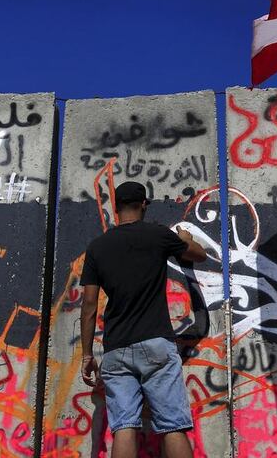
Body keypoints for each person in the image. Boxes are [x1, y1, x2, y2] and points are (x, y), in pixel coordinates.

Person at [79, 181, 207, 458]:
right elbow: (200, 255)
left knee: (123, 426)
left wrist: (87, 354)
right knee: (172, 426)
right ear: (144, 205)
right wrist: (183, 238)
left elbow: (89, 305)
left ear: (116, 208)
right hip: (156, 343)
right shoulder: (157, 235)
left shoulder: (97, 247)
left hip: (116, 349)